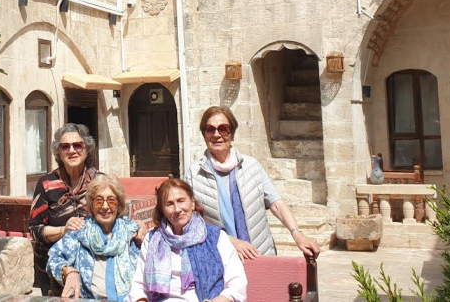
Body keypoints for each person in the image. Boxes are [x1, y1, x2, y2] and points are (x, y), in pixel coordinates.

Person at [184, 106, 320, 260]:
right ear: (204, 135)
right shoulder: (193, 174)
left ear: (232, 134)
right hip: (220, 258)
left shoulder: (251, 166)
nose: (216, 135)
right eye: (210, 129)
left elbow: (276, 203)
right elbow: (191, 221)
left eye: (223, 129)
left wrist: (297, 234)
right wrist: (231, 242)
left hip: (259, 253)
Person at [128, 178, 247, 302]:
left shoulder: (216, 237)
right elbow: (139, 285)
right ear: (162, 210)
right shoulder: (152, 239)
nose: (177, 209)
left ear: (192, 203)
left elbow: (237, 284)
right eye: (169, 204)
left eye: (181, 201)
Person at [47, 174, 147, 300]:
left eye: (111, 200)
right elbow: (53, 257)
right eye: (99, 201)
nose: (105, 206)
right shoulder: (80, 232)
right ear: (91, 205)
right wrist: (68, 271)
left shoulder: (133, 233)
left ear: (119, 204)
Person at [28, 123, 99, 294]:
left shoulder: (99, 182)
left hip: (93, 268)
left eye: (77, 145)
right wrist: (64, 230)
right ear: (59, 152)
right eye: (65, 146)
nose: (71, 150)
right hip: (53, 271)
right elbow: (35, 230)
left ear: (87, 149)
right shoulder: (46, 184)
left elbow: (116, 220)